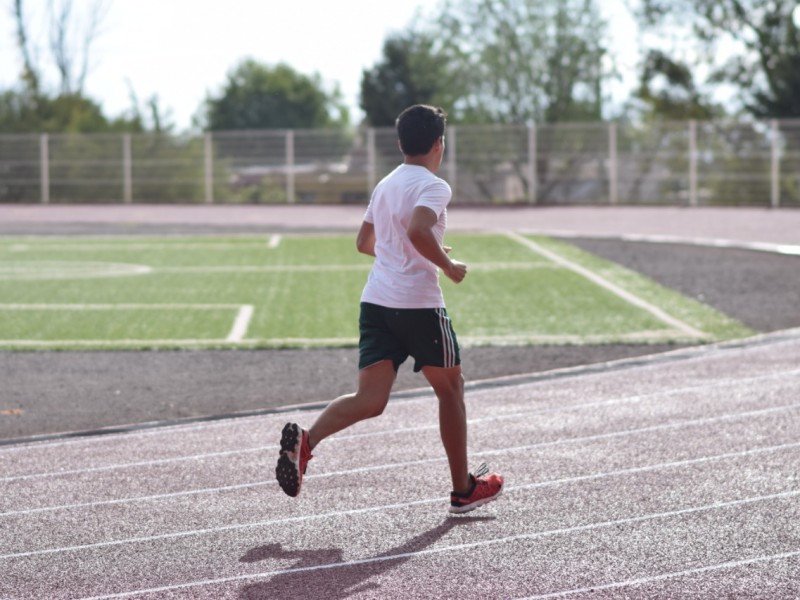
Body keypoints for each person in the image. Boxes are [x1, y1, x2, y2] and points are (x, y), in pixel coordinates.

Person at [275, 104, 503, 514]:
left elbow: (365, 243)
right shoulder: (435, 186)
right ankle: (463, 490)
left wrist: (409, 250)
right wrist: (446, 265)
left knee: (370, 398)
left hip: (377, 302)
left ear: (400, 143)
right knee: (451, 389)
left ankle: (307, 442)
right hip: (417, 304)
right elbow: (417, 229)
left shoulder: (385, 184)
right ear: (440, 144)